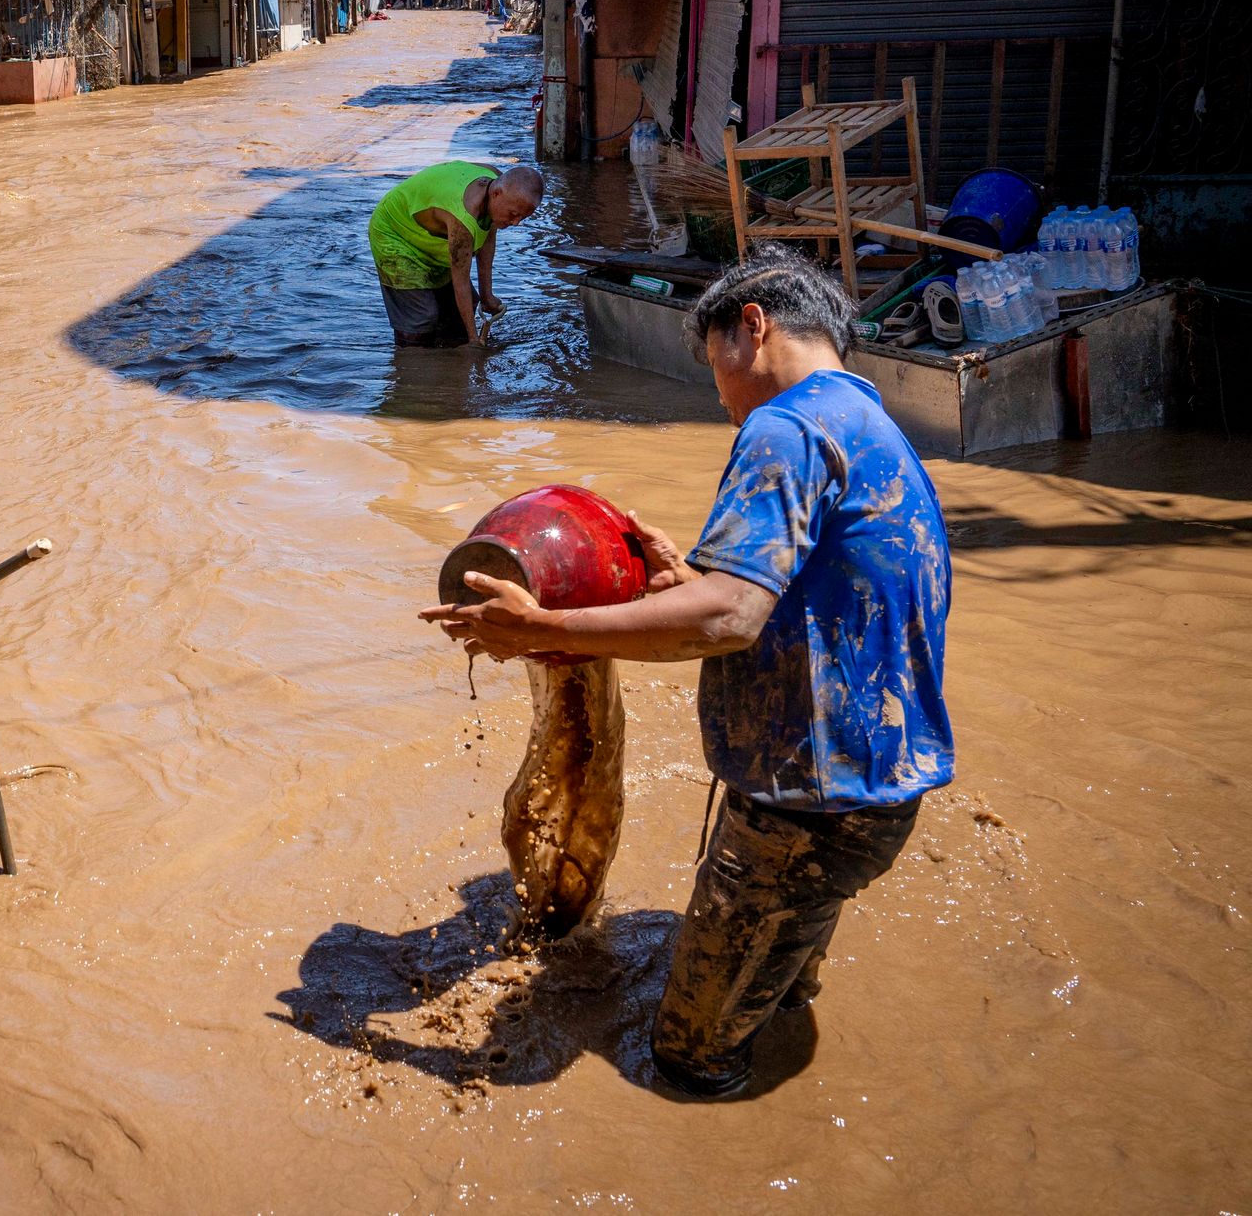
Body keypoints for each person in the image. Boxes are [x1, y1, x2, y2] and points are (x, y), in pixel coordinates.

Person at [422, 247, 953, 1099]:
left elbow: (727, 618)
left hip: (803, 810)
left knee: (687, 1057)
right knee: (777, 983)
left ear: (755, 325)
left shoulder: (783, 427)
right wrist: (692, 576)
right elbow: (796, 595)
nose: (717, 392)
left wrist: (544, 625)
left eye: (713, 365)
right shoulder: (869, 425)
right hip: (876, 787)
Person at [368, 162, 543, 347]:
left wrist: (486, 295)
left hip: (431, 234)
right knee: (422, 317)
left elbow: (487, 237)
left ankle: (448, 356)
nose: (515, 222)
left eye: (522, 217)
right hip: (393, 232)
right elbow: (461, 281)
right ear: (496, 194)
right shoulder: (463, 218)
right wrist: (474, 339)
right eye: (513, 214)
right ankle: (409, 361)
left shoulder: (498, 182)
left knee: (460, 311)